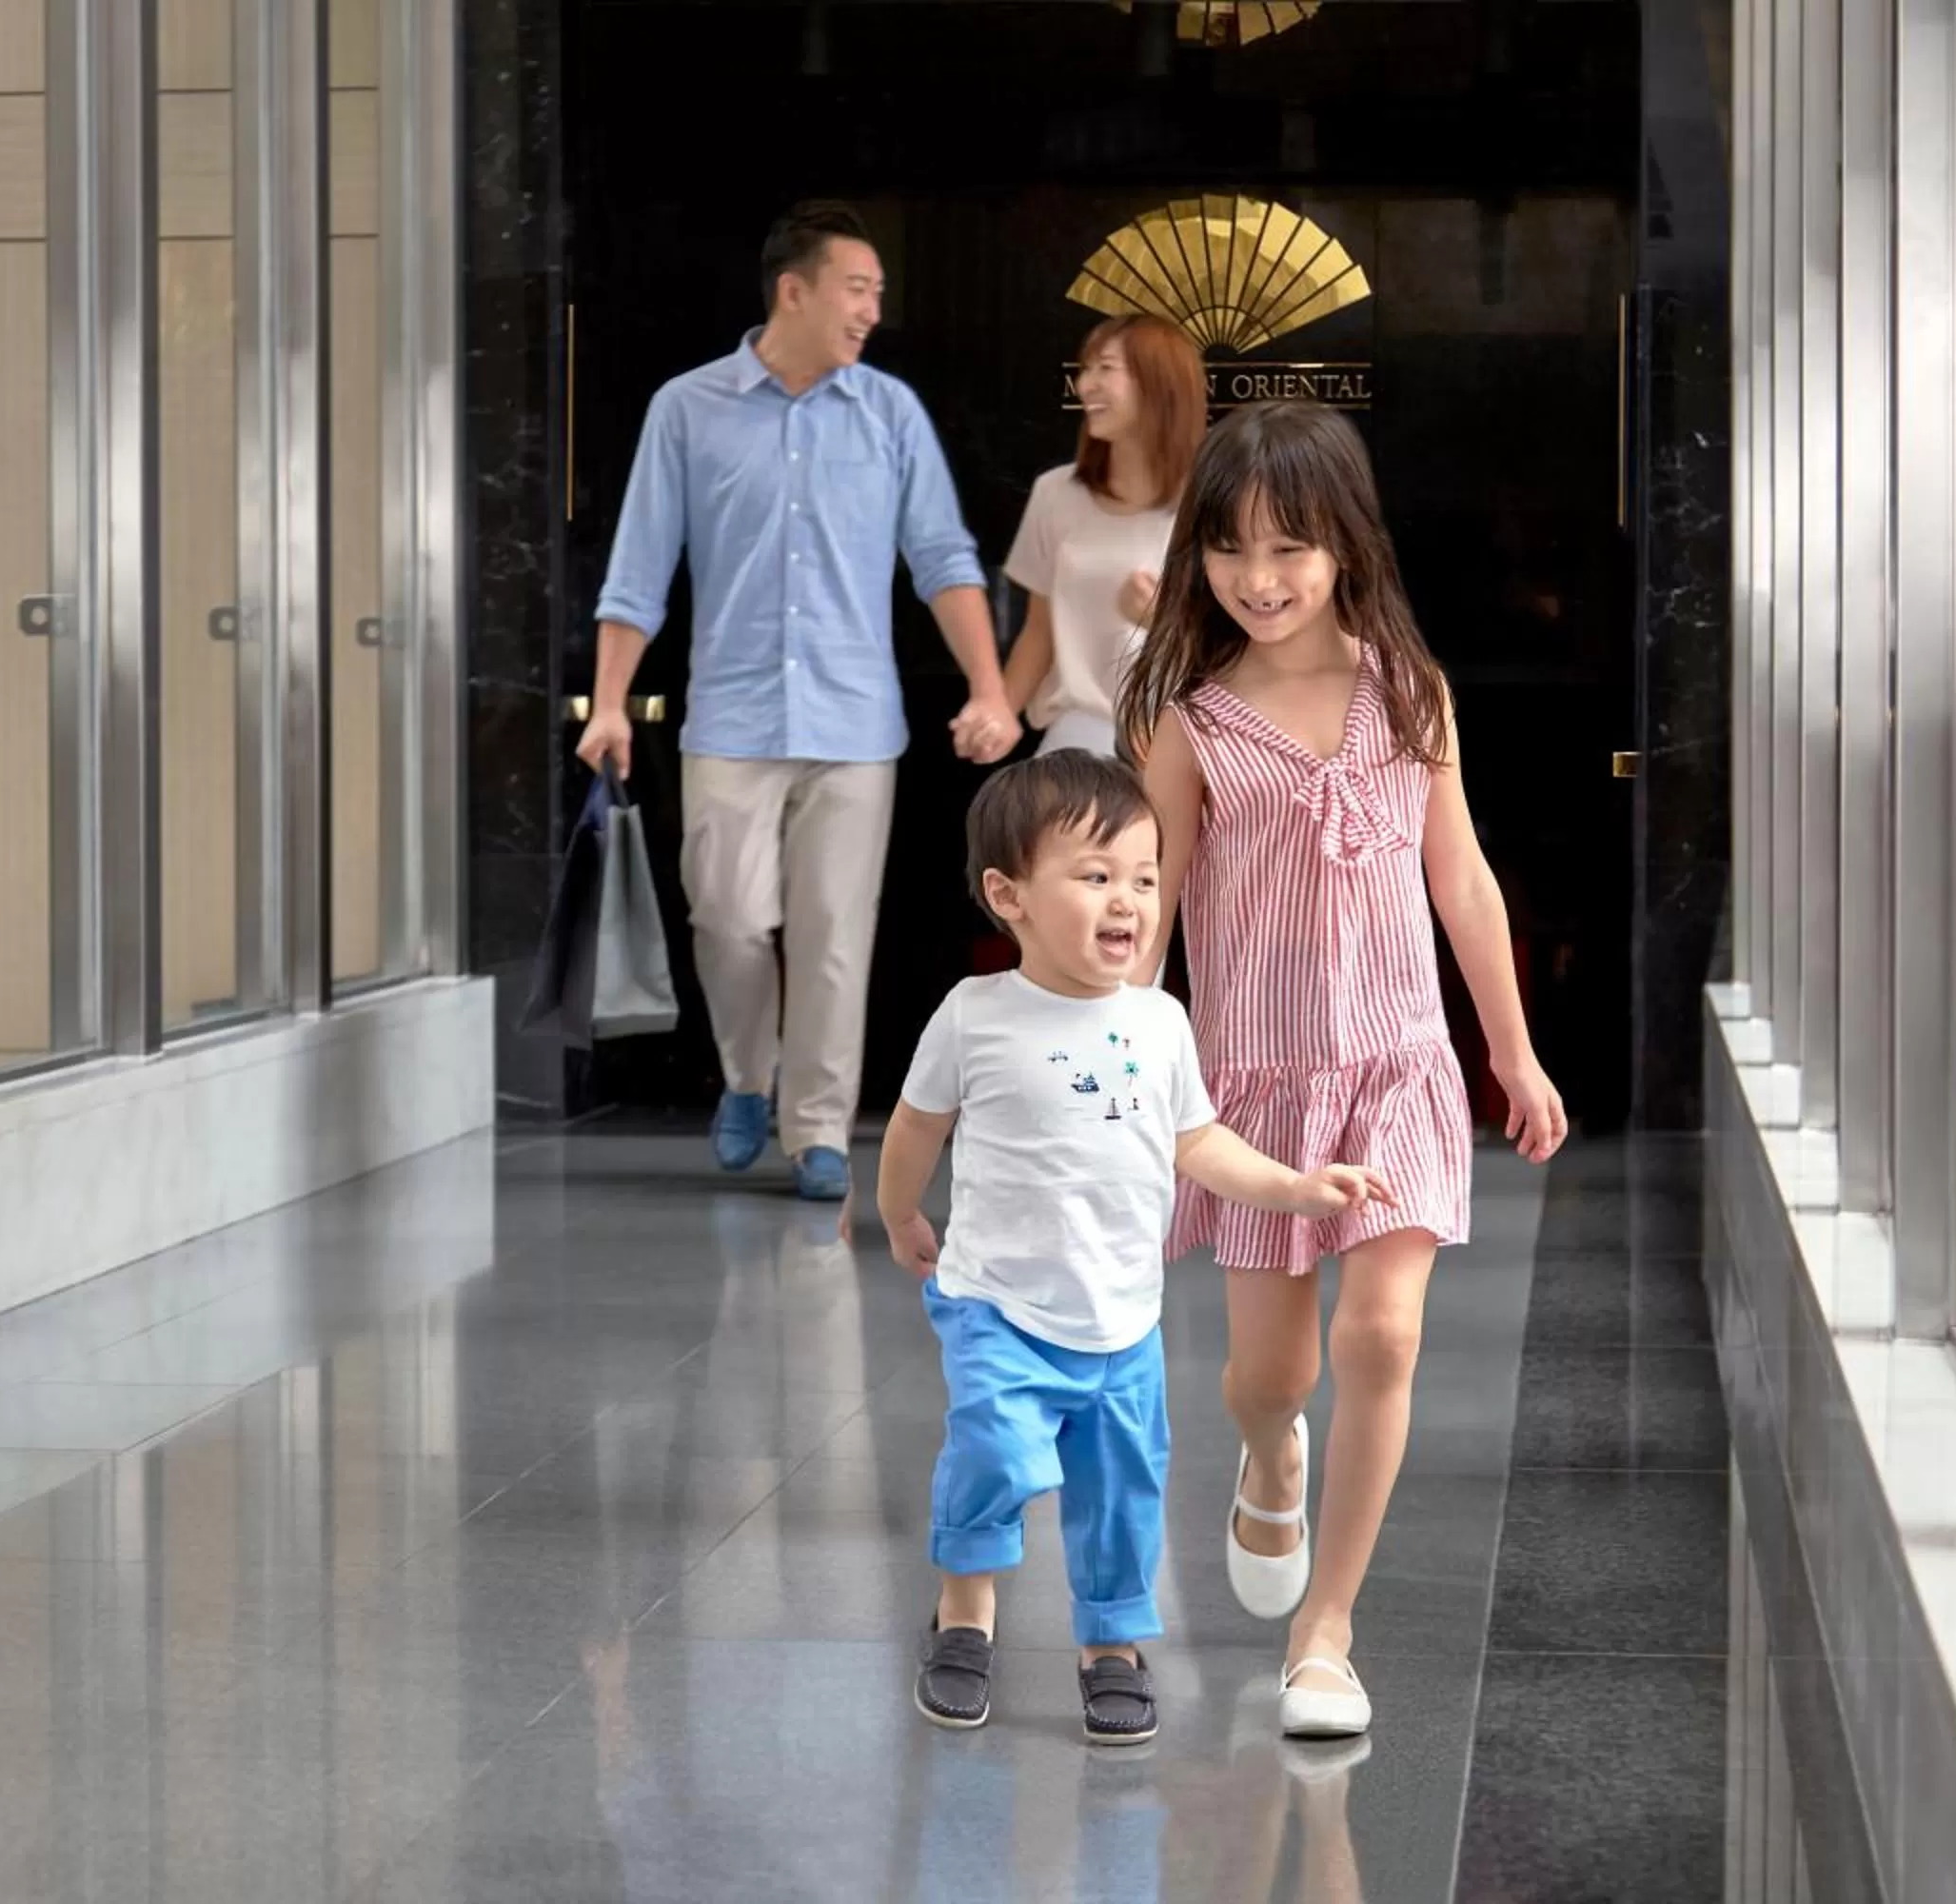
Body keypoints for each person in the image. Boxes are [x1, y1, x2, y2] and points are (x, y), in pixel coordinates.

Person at [1118, 399, 1570, 1739]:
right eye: (1231, 551)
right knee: (1271, 1377)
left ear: (1345, 549)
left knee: (1380, 1334)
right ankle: (1270, 1460)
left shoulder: (1408, 695)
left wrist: (1512, 1052)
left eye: (1291, 550)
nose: (1259, 580)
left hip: (1397, 1073)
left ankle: (1327, 1630)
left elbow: (1465, 882)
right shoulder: (1189, 724)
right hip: (1255, 1094)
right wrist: (1120, 1081)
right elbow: (1144, 909)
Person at [876, 749, 1394, 1747]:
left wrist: (1293, 1184)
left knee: (1121, 1493)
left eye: (1147, 879)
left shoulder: (1160, 1022)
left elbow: (1195, 1141)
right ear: (1008, 894)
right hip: (997, 1304)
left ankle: (1111, 1643)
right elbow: (914, 1126)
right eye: (1096, 875)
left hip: (1122, 1320)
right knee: (989, 1450)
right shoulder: (974, 1014)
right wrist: (901, 1212)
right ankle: (965, 1611)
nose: (1129, 901)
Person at [580, 202, 1020, 1204]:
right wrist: (610, 702)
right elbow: (638, 569)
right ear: (795, 289)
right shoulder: (687, 410)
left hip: (855, 723)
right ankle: (746, 1075)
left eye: (877, 293)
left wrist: (989, 685)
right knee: (728, 917)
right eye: (857, 289)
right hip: (730, 718)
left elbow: (943, 558)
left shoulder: (890, 415)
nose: (873, 310)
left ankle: (817, 1127)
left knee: (833, 934)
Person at [999, 314, 1205, 760]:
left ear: (1159, 382)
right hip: (1082, 732)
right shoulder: (1055, 493)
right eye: (1085, 369)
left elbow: (1245, 645)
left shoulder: (1215, 500)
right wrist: (998, 711)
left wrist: (1161, 619)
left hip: (1188, 736)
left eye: (1105, 369)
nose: (1085, 385)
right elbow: (1039, 632)